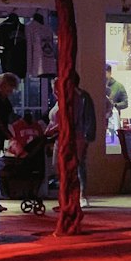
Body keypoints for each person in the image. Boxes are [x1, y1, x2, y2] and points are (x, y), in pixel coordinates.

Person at [47, 71, 97, 206]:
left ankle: (80, 195)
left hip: (77, 136)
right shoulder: (61, 99)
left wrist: (87, 136)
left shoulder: (80, 97)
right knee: (61, 166)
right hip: (62, 137)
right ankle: (69, 195)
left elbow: (85, 118)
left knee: (77, 165)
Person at [105, 63, 128, 139]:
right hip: (100, 122)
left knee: (112, 145)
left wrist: (114, 105)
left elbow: (125, 103)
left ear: (110, 72)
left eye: (106, 72)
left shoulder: (118, 86)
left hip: (113, 121)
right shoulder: (97, 86)